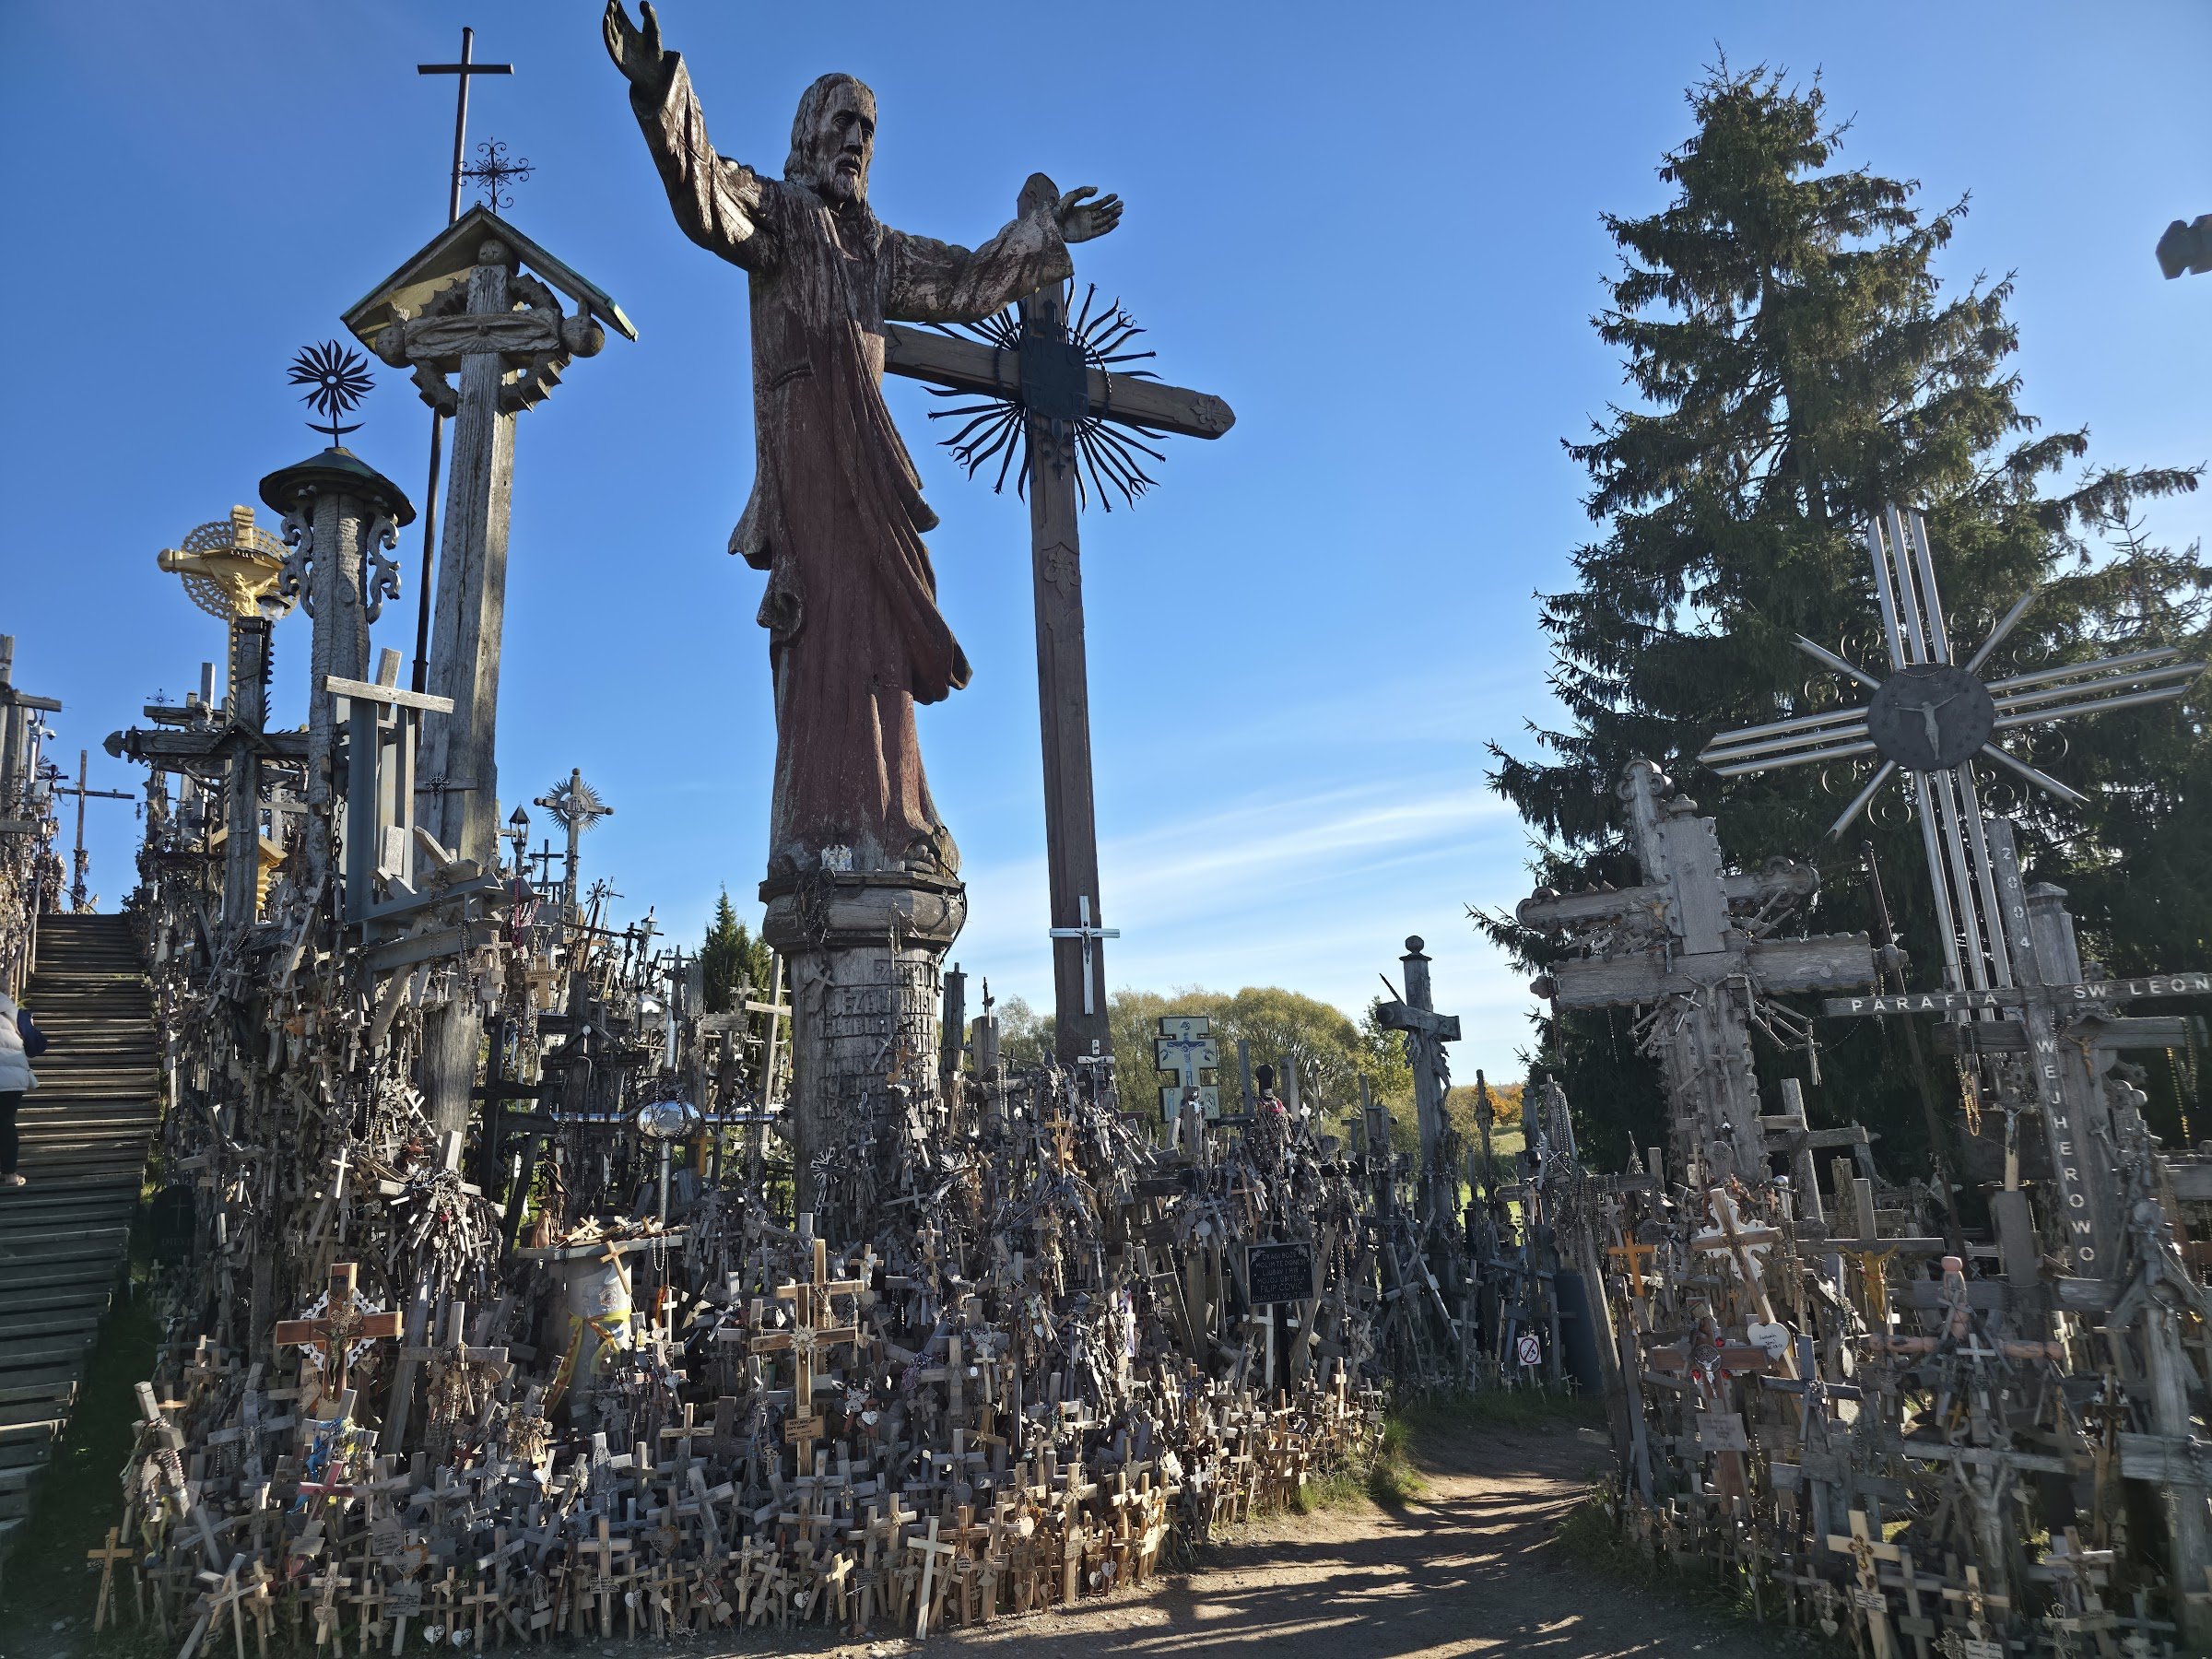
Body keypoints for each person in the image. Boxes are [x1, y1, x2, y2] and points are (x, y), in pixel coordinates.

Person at [0, 987, 41, 1189]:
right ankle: (9, 1177)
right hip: (11, 1082)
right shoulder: (14, 1012)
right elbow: (37, 1046)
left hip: (10, 1078)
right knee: (5, 1124)